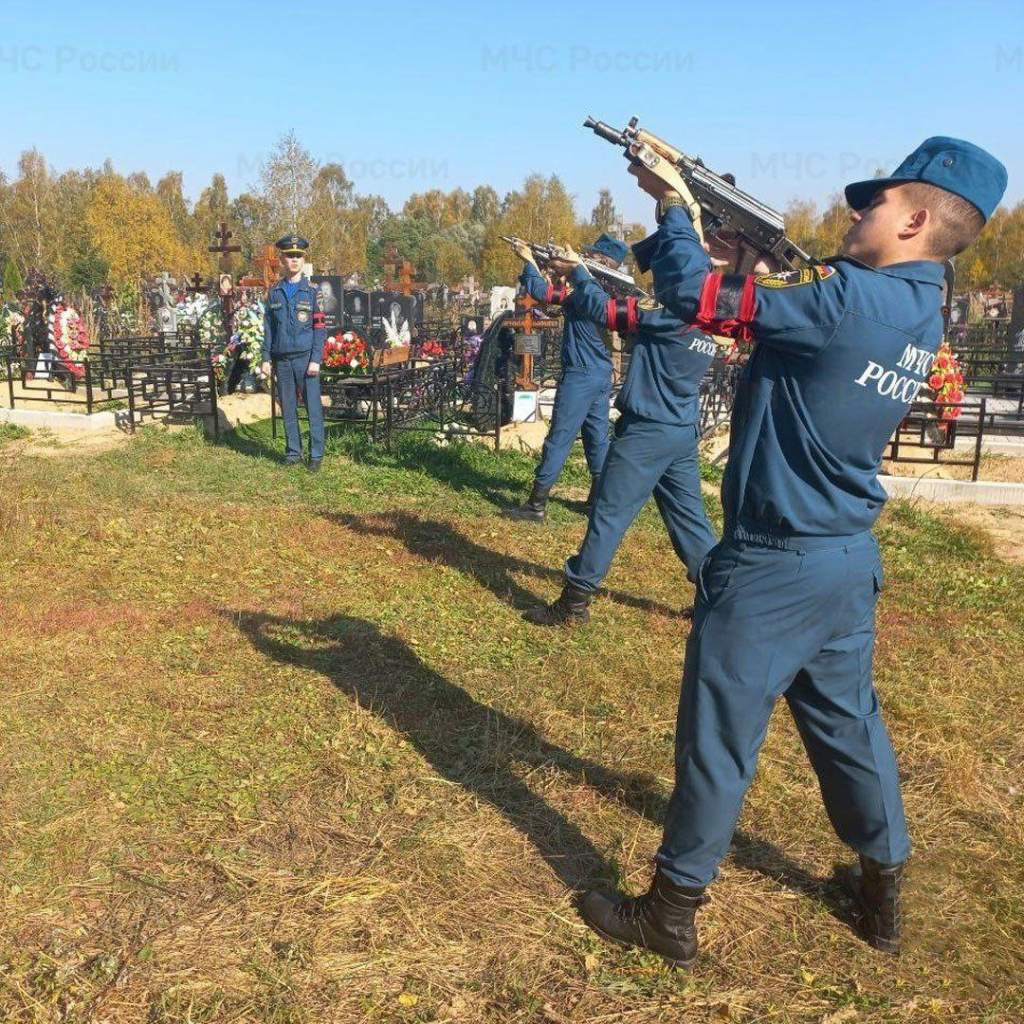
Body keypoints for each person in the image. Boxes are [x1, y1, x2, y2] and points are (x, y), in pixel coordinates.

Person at [577, 138, 1007, 966]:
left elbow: (691, 294)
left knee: (718, 740)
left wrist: (673, 208)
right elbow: (796, 332)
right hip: (845, 560)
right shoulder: (919, 304)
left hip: (773, 565)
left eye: (874, 204)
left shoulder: (845, 298)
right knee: (849, 727)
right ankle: (880, 887)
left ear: (915, 220)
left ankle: (671, 912)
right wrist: (747, 253)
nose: (856, 211)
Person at [523, 235, 719, 625]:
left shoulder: (668, 312)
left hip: (647, 430)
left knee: (608, 515)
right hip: (681, 428)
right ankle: (719, 598)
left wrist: (580, 272)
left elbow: (604, 308)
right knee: (690, 519)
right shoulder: (707, 318)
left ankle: (574, 602)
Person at [503, 234, 626, 521]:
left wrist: (528, 261)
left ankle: (536, 505)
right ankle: (598, 501)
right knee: (597, 438)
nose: (585, 257)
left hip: (580, 376)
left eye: (592, 255)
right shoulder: (603, 293)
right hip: (600, 374)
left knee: (559, 438)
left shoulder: (585, 292)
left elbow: (541, 292)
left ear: (602, 262)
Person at [260, 235, 328, 471]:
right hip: (282, 360)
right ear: (282, 259)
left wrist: (316, 359)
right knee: (288, 406)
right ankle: (293, 453)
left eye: (298, 256)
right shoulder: (275, 292)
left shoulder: (312, 291)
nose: (294, 260)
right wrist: (266, 357)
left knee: (312, 407)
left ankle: (316, 454)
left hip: (305, 358)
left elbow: (320, 328)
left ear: (304, 259)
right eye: (290, 256)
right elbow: (268, 327)